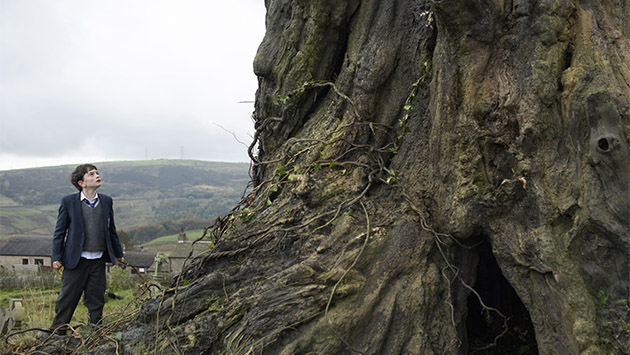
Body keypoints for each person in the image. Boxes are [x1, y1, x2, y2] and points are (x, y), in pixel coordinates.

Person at [42, 164, 125, 337]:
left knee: (96, 298)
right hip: (75, 260)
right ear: (81, 182)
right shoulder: (69, 202)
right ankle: (57, 333)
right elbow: (59, 232)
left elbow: (111, 230)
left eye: (97, 173)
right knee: (67, 298)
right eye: (92, 174)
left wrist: (118, 254)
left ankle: (95, 332)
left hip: (98, 259)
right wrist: (56, 257)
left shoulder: (107, 201)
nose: (97, 175)